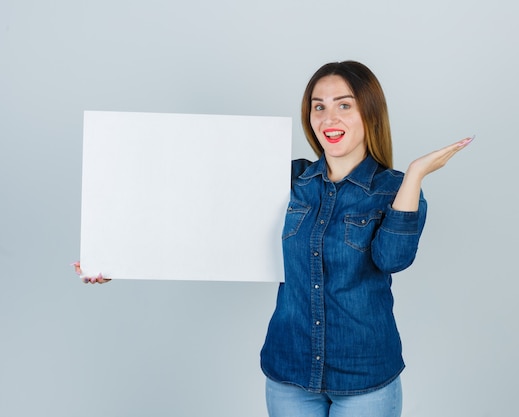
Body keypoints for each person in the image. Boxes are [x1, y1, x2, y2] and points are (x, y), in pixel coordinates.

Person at [75, 60, 473, 417]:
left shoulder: (394, 189)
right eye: (319, 106)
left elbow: (392, 259)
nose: (328, 117)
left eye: (344, 104)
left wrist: (416, 172)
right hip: (290, 369)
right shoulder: (285, 180)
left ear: (368, 111)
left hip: (365, 375)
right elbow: (197, 213)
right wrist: (115, 255)